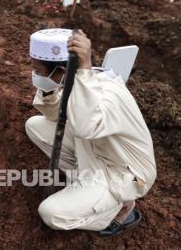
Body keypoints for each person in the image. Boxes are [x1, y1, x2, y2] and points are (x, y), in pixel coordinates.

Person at [25, 28, 156, 237]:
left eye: (39, 71)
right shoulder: (78, 81)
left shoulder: (107, 94)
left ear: (60, 70)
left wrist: (84, 66)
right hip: (94, 150)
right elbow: (55, 116)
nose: (35, 75)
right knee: (35, 125)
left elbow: (85, 126)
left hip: (120, 170)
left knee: (50, 213)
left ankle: (116, 211)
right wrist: (49, 89)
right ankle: (86, 188)